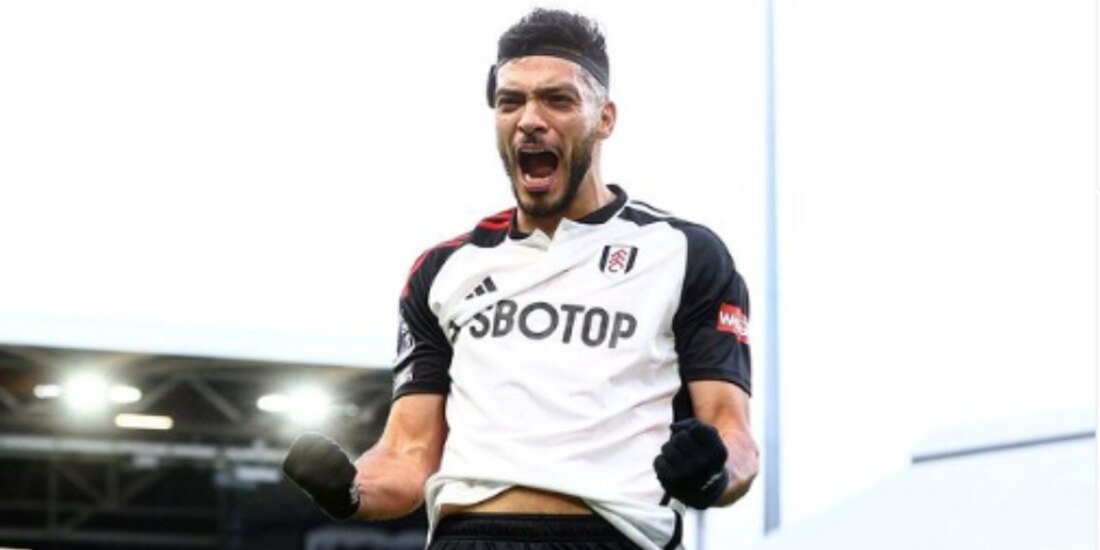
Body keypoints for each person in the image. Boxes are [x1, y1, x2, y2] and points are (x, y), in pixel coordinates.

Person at [282, 8, 759, 550]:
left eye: (557, 99)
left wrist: (713, 471)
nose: (530, 118)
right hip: (472, 538)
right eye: (511, 101)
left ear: (605, 118)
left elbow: (734, 436)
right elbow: (409, 455)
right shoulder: (443, 270)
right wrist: (351, 488)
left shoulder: (684, 253)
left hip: (615, 538)